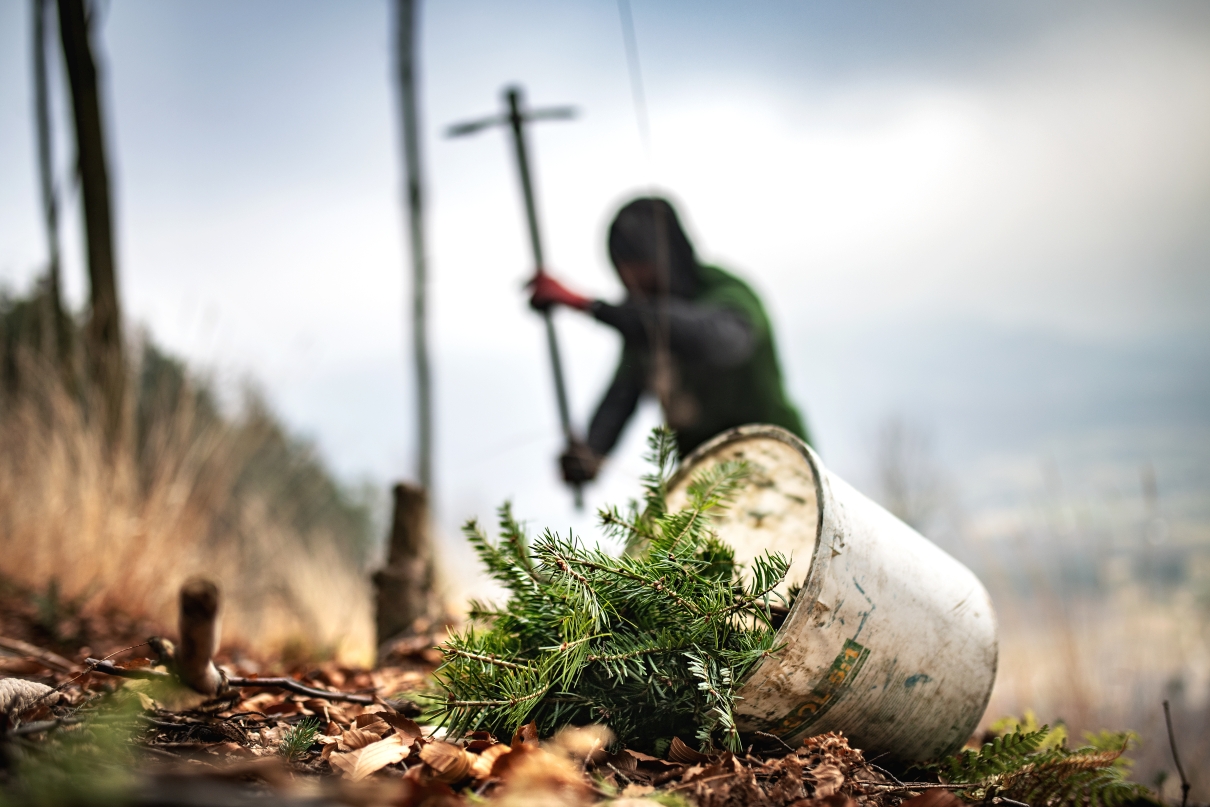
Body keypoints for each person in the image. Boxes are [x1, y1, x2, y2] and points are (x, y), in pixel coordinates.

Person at [529, 196, 809, 484]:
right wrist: (589, 454)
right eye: (624, 270)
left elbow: (719, 341)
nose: (633, 281)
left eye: (640, 265)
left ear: (665, 255)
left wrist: (588, 305)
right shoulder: (642, 330)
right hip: (707, 487)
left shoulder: (725, 292)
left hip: (781, 465)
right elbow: (621, 398)